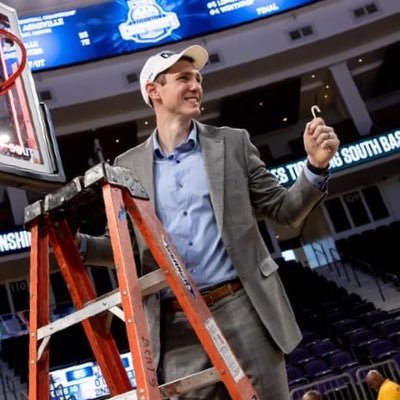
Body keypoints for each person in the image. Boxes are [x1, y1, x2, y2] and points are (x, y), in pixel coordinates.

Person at [80, 44, 340, 399]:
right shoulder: (125, 167)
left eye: (199, 78)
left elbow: (284, 211)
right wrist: (74, 244)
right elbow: (120, 248)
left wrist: (315, 167)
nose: (196, 86)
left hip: (243, 308)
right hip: (175, 326)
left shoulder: (233, 143)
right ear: (153, 91)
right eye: (184, 78)